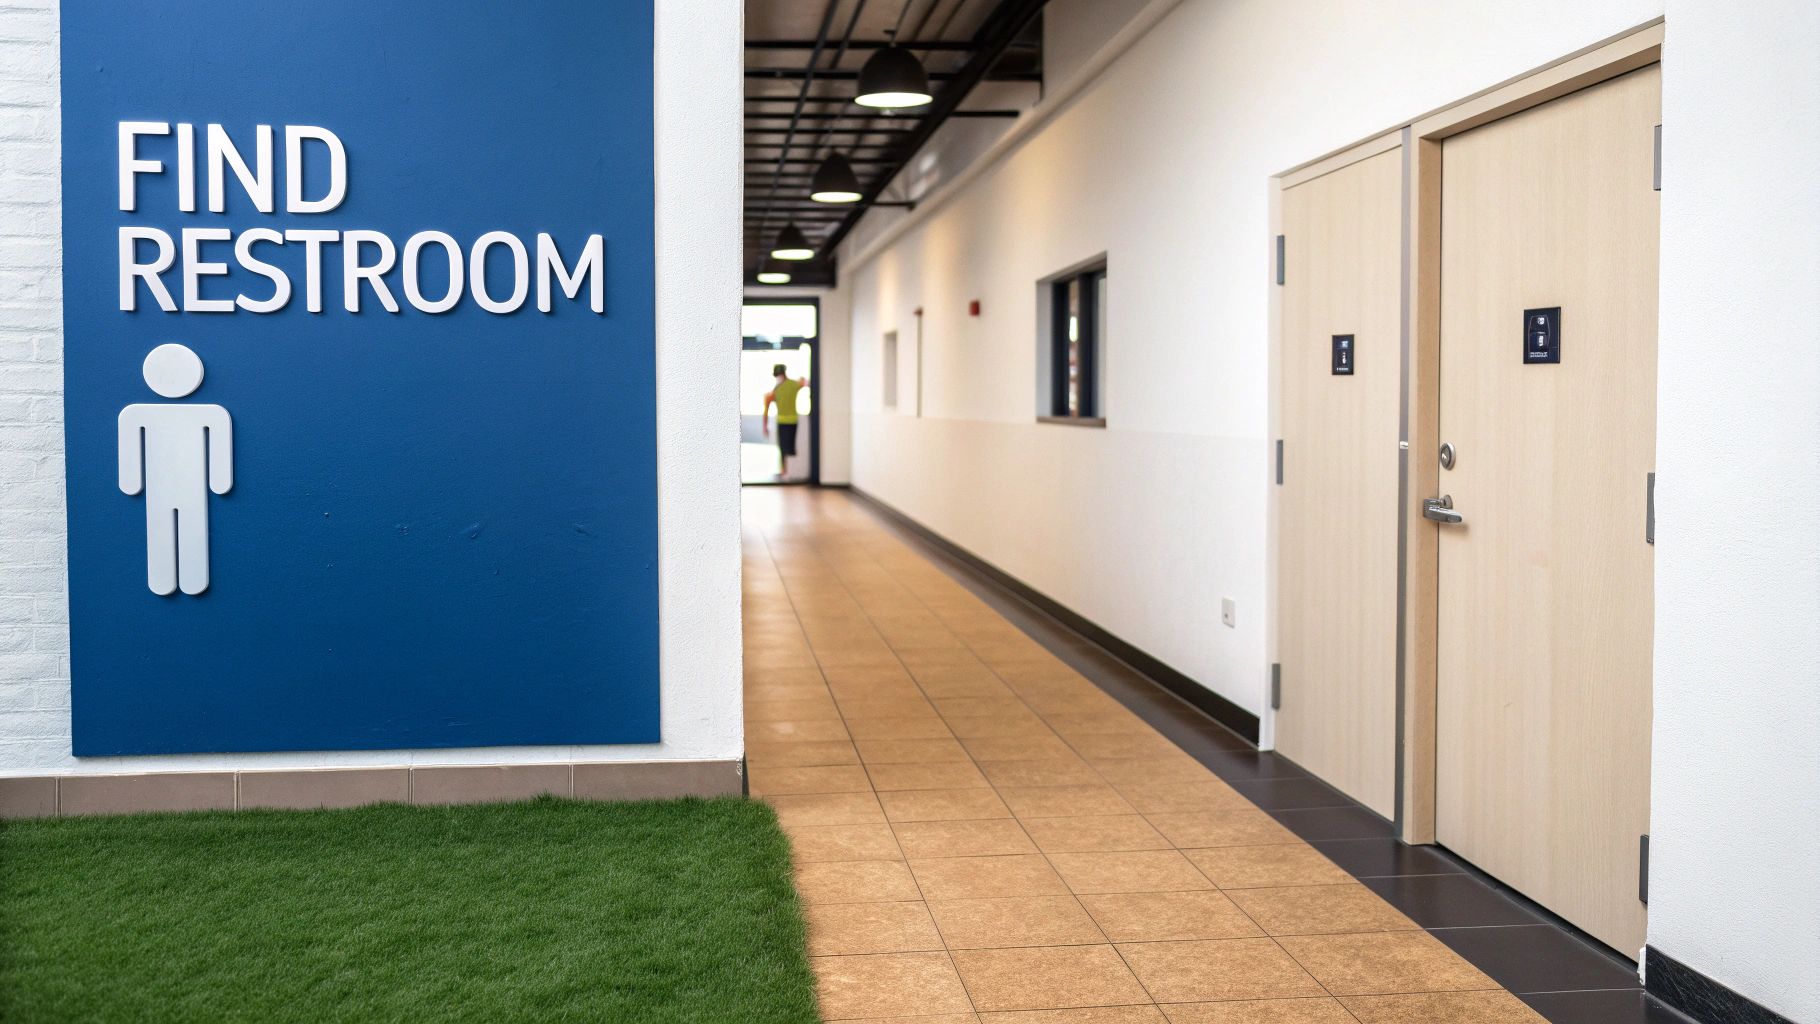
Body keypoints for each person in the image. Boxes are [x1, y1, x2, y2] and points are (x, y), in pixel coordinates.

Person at [118, 343, 233, 596]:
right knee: (163, 528)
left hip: (188, 485)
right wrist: (219, 481)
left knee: (191, 527)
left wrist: (219, 480)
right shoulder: (136, 414)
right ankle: (165, 580)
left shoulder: (210, 414)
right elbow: (129, 456)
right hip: (166, 485)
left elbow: (220, 448)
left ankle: (192, 581)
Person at [761, 363, 808, 478]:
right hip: (789, 421)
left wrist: (765, 426)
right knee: (785, 447)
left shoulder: (780, 388)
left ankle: (787, 471)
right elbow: (805, 381)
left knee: (786, 448)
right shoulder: (790, 385)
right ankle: (785, 470)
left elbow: (766, 409)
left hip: (786, 422)